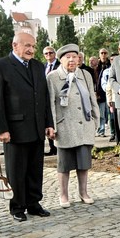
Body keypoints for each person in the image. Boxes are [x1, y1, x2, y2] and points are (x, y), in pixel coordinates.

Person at [0, 32, 54, 222]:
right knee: (16, 170)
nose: (31, 50)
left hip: (36, 127)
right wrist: (2, 128)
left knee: (35, 168)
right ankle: (17, 206)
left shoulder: (37, 66)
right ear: (14, 45)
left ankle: (34, 203)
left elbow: (43, 97)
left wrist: (48, 123)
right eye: (27, 46)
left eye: (33, 46)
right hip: (14, 129)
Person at [47, 44, 99, 207]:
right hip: (64, 127)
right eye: (67, 57)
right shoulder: (53, 77)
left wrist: (96, 119)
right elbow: (51, 104)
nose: (71, 60)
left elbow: (92, 98)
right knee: (64, 164)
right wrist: (52, 125)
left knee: (83, 163)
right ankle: (63, 195)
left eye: (74, 56)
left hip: (84, 124)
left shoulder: (85, 74)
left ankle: (83, 192)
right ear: (60, 59)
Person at [42, 46, 59, 155]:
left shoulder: (60, 66)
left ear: (55, 53)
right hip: (45, 97)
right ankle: (52, 148)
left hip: (57, 98)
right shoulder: (42, 66)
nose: (48, 55)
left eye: (50, 53)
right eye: (46, 53)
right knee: (48, 122)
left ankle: (57, 147)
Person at [95, 49, 111, 137]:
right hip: (100, 93)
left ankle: (113, 132)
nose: (103, 55)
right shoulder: (97, 66)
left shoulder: (110, 65)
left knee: (110, 114)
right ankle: (101, 130)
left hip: (109, 92)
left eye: (105, 53)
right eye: (102, 53)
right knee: (101, 114)